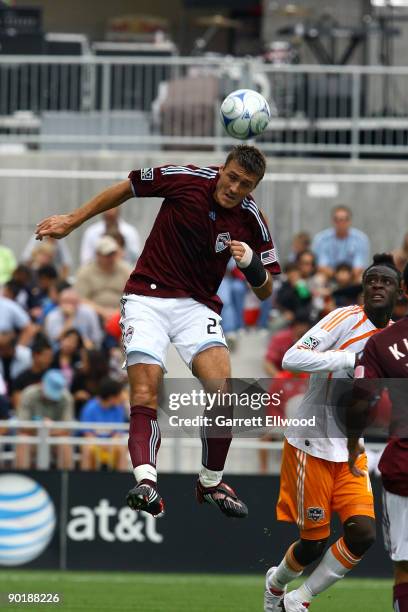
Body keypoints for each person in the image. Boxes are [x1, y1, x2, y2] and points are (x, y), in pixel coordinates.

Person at [35, 144, 281, 519]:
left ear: (254, 186)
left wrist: (251, 266)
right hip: (146, 297)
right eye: (231, 177)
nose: (234, 188)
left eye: (245, 184)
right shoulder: (186, 179)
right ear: (222, 169)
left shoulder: (251, 219)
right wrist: (73, 220)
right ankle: (147, 482)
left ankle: (211, 481)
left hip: (197, 306)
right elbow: (126, 188)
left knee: (224, 393)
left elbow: (267, 290)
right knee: (146, 391)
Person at [264, 254, 401, 612]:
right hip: (312, 443)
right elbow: (292, 358)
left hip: (351, 447)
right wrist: (349, 359)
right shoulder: (344, 318)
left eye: (386, 281)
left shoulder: (394, 340)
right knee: (313, 542)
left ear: (399, 293)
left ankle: (300, 599)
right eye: (371, 279)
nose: (376, 285)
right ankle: (276, 584)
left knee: (363, 535)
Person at [348, 261, 408, 612]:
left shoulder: (383, 343)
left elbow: (360, 401)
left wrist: (352, 441)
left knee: (404, 567)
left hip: (403, 466)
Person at [15, 369, 74, 470]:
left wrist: (48, 430)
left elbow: (66, 429)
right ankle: (23, 481)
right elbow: (23, 427)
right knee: (23, 440)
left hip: (54, 439)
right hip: (33, 438)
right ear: (41, 384)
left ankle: (66, 483)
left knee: (65, 443)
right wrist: (42, 427)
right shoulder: (28, 394)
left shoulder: (66, 398)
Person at [74, 236, 132, 322]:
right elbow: (80, 298)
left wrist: (118, 312)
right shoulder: (85, 272)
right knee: (83, 311)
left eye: (113, 254)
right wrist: (102, 312)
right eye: (107, 255)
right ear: (98, 255)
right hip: (94, 315)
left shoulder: (126, 270)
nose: (111, 258)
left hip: (122, 313)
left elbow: (133, 295)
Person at [79, 377, 128, 471]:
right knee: (86, 449)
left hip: (111, 444)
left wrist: (109, 443)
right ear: (111, 397)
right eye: (119, 394)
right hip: (94, 444)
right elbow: (87, 433)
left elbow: (118, 433)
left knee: (122, 448)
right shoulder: (90, 408)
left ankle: (121, 482)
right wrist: (100, 444)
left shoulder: (118, 409)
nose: (122, 397)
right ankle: (85, 481)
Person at [312, 205, 370, 282]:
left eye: (344, 219)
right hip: (329, 276)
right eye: (337, 220)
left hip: (352, 276)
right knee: (318, 279)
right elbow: (321, 265)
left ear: (350, 221)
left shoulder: (361, 239)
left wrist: (347, 275)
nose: (341, 223)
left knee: (362, 280)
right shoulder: (321, 239)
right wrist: (337, 275)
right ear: (333, 221)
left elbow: (359, 266)